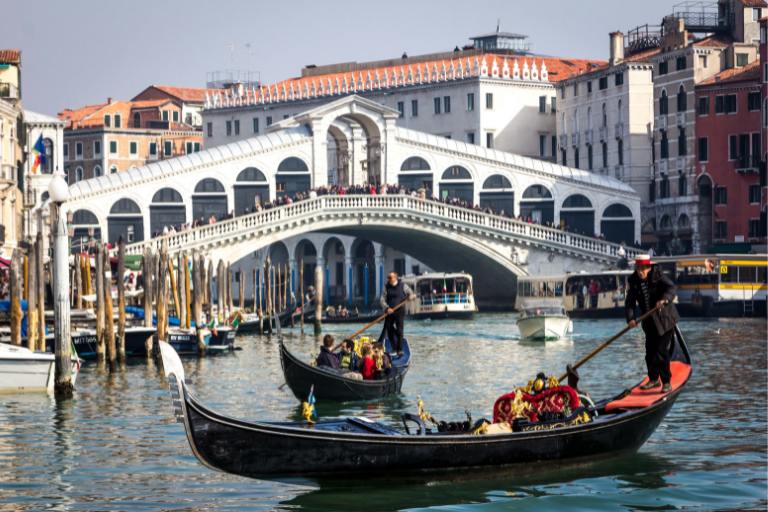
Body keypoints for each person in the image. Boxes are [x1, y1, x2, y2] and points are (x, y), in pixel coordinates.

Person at [625, 254, 680, 393]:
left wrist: (664, 299)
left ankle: (666, 382)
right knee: (649, 352)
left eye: (643, 268)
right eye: (638, 268)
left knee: (661, 351)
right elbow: (630, 302)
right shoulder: (633, 281)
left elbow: (671, 288)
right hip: (649, 321)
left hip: (665, 319)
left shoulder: (658, 275)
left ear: (649, 268)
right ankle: (654, 379)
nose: (640, 271)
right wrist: (631, 318)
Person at [378, 272, 415, 356]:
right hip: (389, 311)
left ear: (395, 278)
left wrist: (411, 297)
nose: (388, 279)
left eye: (390, 277)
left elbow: (411, 294)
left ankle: (400, 349)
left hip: (400, 311)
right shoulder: (386, 287)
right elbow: (382, 300)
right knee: (389, 329)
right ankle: (394, 348)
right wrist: (387, 308)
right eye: (388, 277)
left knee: (400, 330)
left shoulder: (403, 286)